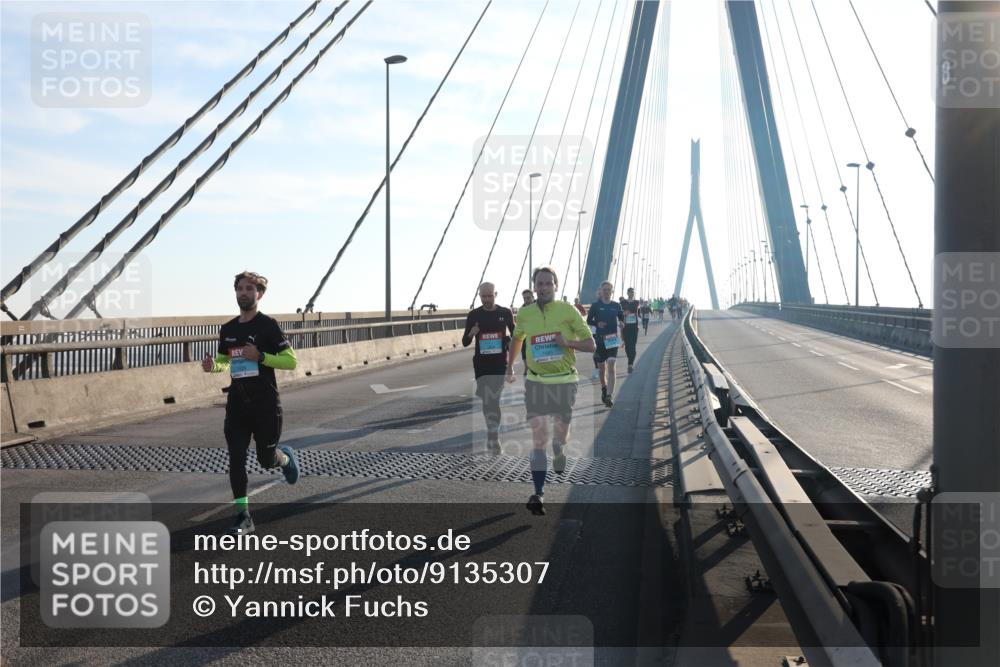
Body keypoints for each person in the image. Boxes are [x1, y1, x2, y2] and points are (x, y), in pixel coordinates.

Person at [202, 271, 299, 535]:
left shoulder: (268, 325)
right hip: (237, 404)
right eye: (240, 288)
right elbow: (225, 362)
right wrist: (213, 366)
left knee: (266, 460)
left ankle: (285, 459)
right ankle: (243, 516)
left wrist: (262, 356)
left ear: (260, 294)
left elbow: (291, 361)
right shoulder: (228, 329)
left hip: (265, 404)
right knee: (236, 458)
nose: (243, 293)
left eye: (249, 289)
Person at [507, 266, 595, 516]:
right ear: (534, 287)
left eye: (548, 283)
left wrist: (568, 343)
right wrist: (510, 365)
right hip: (535, 381)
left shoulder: (568, 311)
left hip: (565, 381)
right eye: (540, 283)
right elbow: (517, 339)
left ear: (556, 286)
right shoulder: (525, 314)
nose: (544, 287)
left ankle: (560, 447)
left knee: (559, 435)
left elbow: (591, 344)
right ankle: (538, 493)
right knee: (538, 439)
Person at [462, 282, 515, 455]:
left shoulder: (505, 313)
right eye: (483, 296)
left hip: (499, 363)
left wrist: (508, 341)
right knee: (487, 401)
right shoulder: (474, 315)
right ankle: (491, 431)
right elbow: (465, 342)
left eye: (489, 296)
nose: (486, 299)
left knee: (494, 399)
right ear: (479, 296)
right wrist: (472, 333)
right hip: (481, 364)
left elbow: (516, 336)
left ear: (495, 294)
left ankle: (493, 436)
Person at [587, 281, 624, 408]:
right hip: (600, 340)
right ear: (601, 291)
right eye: (605, 289)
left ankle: (609, 396)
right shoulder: (595, 306)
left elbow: (621, 318)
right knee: (602, 369)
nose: (607, 291)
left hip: (613, 339)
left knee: (612, 365)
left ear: (612, 291)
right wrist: (597, 324)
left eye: (609, 289)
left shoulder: (616, 305)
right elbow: (588, 320)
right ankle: (604, 388)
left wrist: (622, 323)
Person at [621, 287, 641, 373]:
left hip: (634, 327)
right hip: (625, 327)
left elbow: (638, 313)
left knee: (633, 346)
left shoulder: (637, 302)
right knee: (627, 346)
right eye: (630, 292)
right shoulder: (623, 302)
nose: (631, 293)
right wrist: (623, 313)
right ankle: (630, 361)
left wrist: (639, 321)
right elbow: (619, 313)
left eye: (633, 292)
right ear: (627, 293)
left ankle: (630, 364)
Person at [520, 289, 534, 375]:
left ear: (533, 298)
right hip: (526, 332)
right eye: (524, 299)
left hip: (538, 332)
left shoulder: (539, 306)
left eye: (528, 298)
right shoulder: (522, 309)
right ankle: (526, 367)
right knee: (523, 347)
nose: (526, 300)